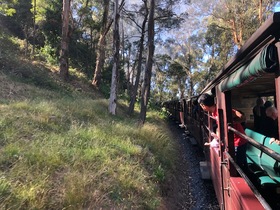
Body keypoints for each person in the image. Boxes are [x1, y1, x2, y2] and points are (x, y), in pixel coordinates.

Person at [198, 93, 248, 170]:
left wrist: (230, 123)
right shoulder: (215, 112)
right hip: (235, 141)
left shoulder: (221, 110)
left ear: (203, 105)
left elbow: (241, 116)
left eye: (201, 106)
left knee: (239, 166)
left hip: (238, 142)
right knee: (240, 164)